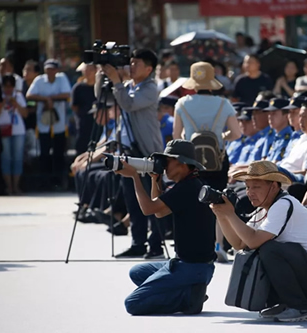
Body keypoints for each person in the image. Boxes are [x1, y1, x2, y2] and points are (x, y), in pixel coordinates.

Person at [210, 161, 307, 322]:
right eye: (248, 187)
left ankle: (300, 307)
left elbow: (254, 241)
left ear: (274, 186)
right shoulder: (264, 210)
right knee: (264, 248)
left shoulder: (283, 204)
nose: (250, 192)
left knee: (269, 249)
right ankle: (286, 303)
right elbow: (239, 244)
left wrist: (231, 215)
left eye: (256, 186)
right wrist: (222, 216)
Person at [116, 140, 216, 315]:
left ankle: (188, 297)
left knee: (132, 303)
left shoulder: (188, 187)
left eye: (167, 161)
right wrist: (155, 181)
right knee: (137, 272)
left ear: (183, 163)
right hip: (194, 266)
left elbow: (148, 209)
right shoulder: (189, 183)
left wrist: (135, 177)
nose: (164, 166)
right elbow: (159, 213)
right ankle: (188, 290)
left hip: (192, 268)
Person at [99, 48, 165, 259]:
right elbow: (103, 97)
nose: (132, 66)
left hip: (147, 152)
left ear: (149, 68)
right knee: (133, 200)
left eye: (136, 63)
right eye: (131, 62)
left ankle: (155, 245)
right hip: (127, 150)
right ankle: (138, 243)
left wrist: (117, 80)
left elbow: (128, 104)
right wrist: (103, 74)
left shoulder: (150, 88)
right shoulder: (128, 86)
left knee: (152, 200)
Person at [173, 61, 241, 262]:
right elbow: (236, 133)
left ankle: (195, 244)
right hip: (217, 158)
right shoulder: (224, 104)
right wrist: (221, 136)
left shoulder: (182, 104)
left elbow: (176, 136)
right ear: (212, 82)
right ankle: (218, 245)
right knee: (218, 201)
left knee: (193, 202)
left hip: (191, 160)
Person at [26, 59, 71, 189]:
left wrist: (51, 99)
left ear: (57, 70)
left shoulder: (62, 78)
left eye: (52, 69)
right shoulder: (39, 80)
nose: (50, 71)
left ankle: (58, 182)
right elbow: (29, 95)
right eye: (48, 69)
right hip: (43, 123)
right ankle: (44, 182)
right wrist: (45, 99)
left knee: (59, 153)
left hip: (59, 123)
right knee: (44, 154)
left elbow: (67, 94)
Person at [0, 75, 28, 195]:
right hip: (4, 130)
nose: (8, 89)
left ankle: (16, 186)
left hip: (18, 130)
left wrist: (17, 104)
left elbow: (25, 114)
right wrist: (2, 103)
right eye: (6, 86)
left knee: (17, 158)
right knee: (6, 158)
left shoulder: (19, 96)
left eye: (11, 86)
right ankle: (8, 187)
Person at [71, 63, 97, 155]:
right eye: (85, 70)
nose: (87, 72)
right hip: (83, 123)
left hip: (98, 124)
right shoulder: (78, 87)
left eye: (90, 70)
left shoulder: (101, 87)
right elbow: (74, 106)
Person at [262, 98, 293, 163]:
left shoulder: (289, 137)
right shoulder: (274, 135)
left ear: (286, 116)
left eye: (274, 113)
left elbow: (276, 163)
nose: (270, 117)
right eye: (269, 113)